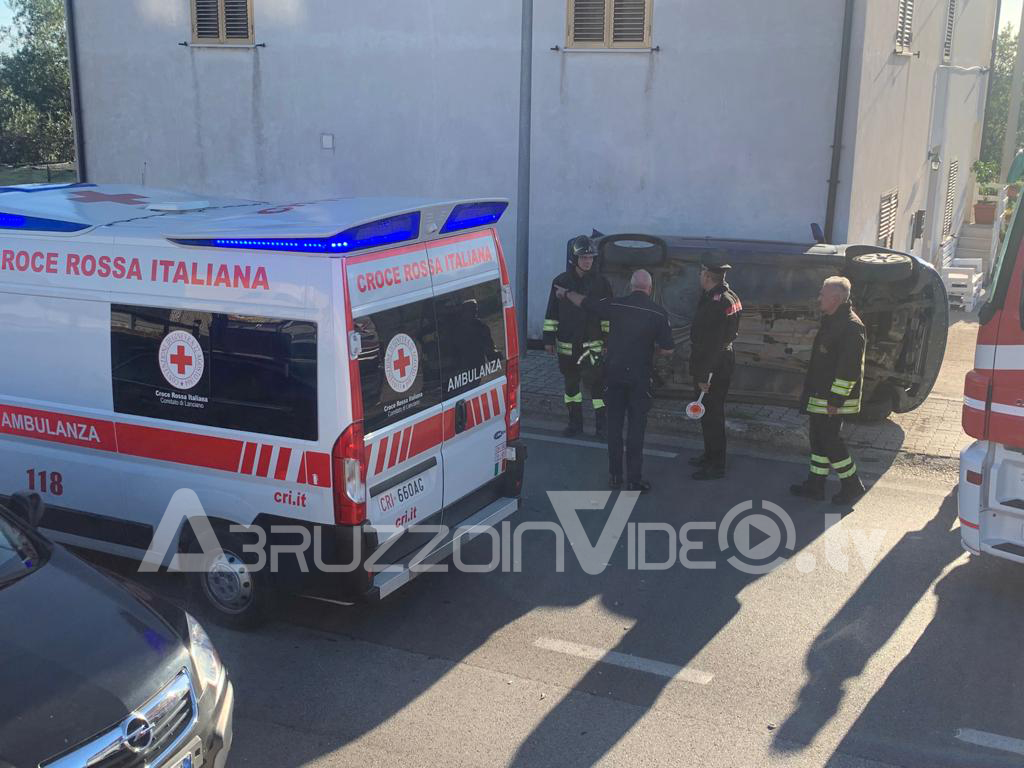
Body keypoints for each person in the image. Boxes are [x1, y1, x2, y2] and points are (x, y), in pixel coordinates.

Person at [557, 269, 674, 493]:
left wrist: (566, 293)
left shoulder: (617, 306)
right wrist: (653, 349)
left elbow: (586, 303)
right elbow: (668, 350)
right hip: (640, 378)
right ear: (650, 288)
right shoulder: (658, 313)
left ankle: (614, 477)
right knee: (636, 430)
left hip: (614, 375)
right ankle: (634, 480)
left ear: (631, 286)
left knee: (614, 428)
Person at [790, 276, 868, 505]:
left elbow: (848, 368)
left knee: (831, 442)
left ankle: (852, 485)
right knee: (818, 441)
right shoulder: (833, 320)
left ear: (835, 298)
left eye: (822, 294)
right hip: (821, 396)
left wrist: (836, 399)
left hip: (832, 399)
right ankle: (816, 484)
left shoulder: (852, 326)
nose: (819, 298)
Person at [543, 235, 613, 437]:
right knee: (571, 388)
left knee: (598, 388)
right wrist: (548, 340)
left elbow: (608, 315)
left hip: (593, 344)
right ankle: (575, 424)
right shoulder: (561, 282)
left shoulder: (602, 283)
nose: (588, 261)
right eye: (584, 258)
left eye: (591, 257)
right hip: (568, 345)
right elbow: (552, 314)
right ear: (575, 259)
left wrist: (608, 339)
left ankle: (602, 426)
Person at [688, 259, 743, 480]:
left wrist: (704, 376)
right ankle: (710, 455)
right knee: (707, 413)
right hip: (721, 360)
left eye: (701, 272)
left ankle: (716, 464)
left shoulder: (716, 303)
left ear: (708, 276)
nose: (699, 276)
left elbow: (712, 343)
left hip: (713, 365)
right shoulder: (728, 296)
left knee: (712, 415)